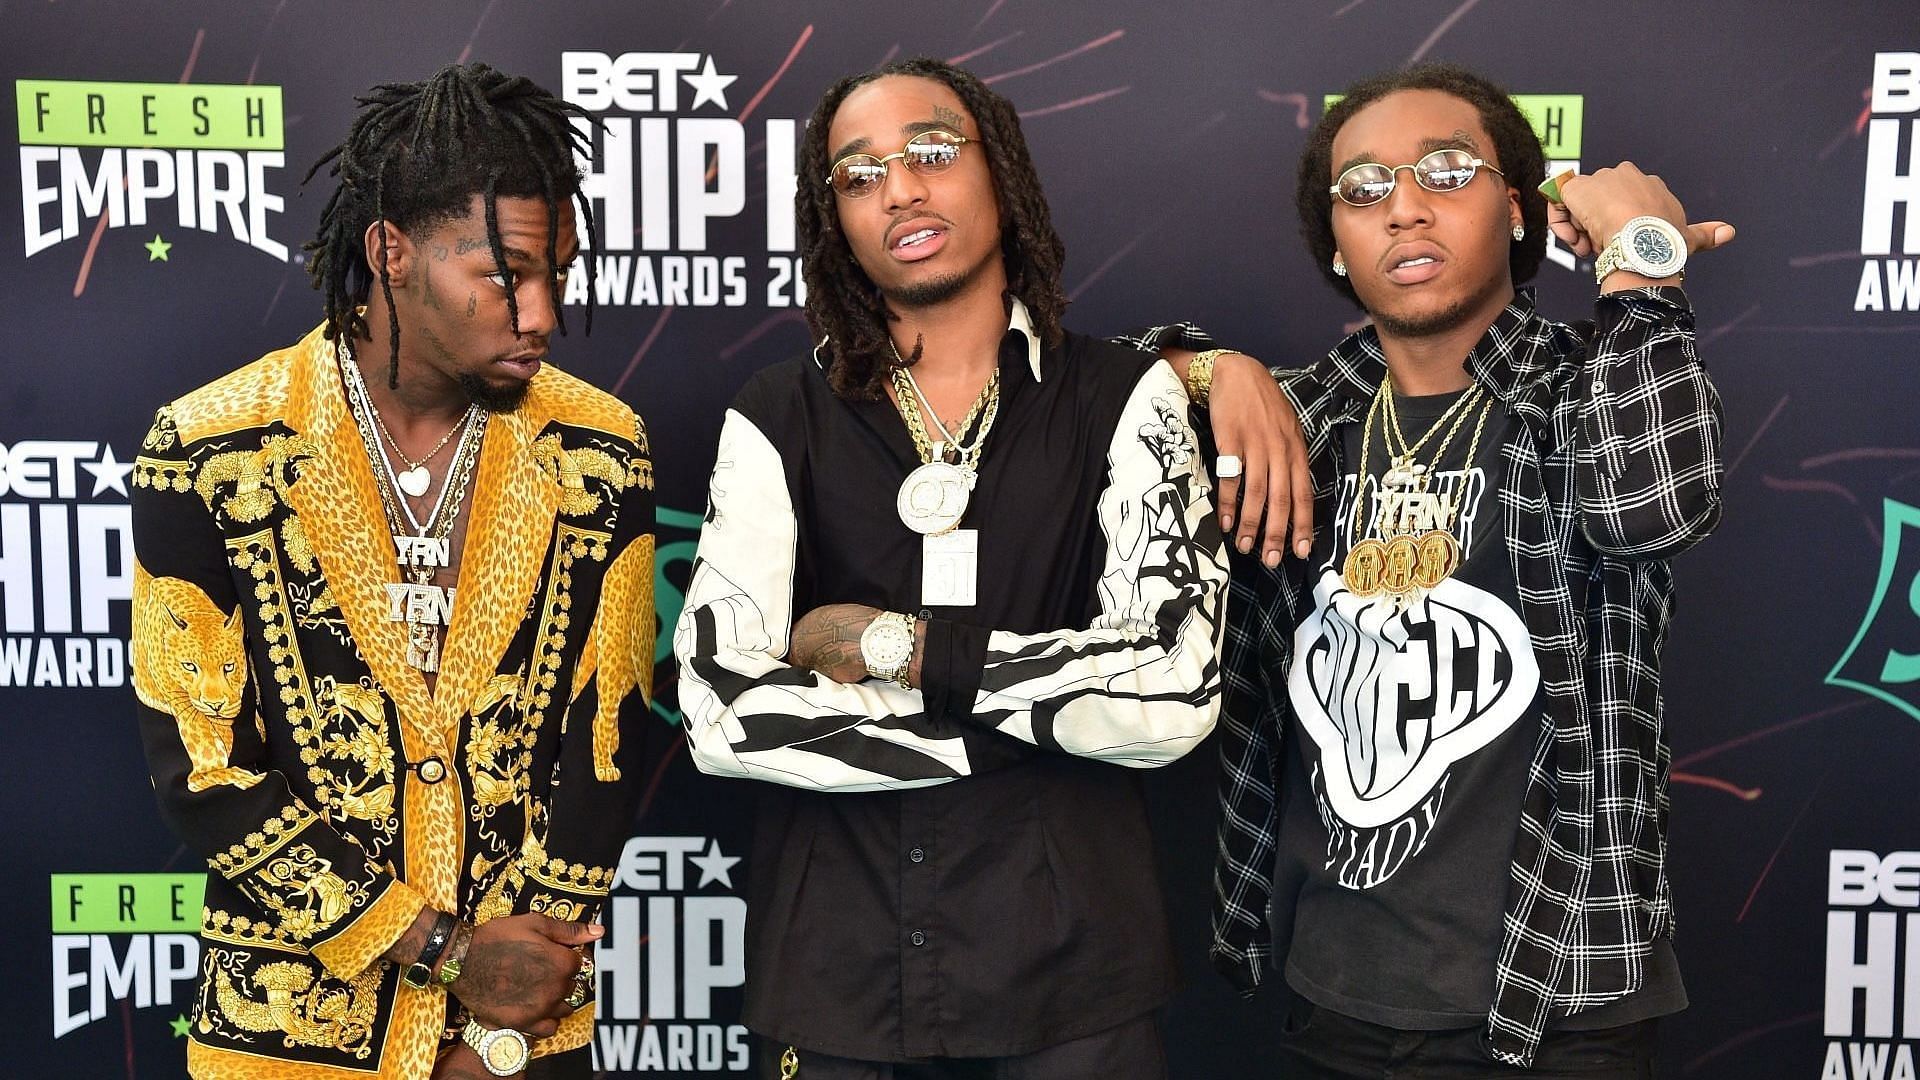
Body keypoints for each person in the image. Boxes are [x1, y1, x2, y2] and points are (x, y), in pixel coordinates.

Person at [673, 57, 1231, 1079]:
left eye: (932, 151)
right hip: (840, 970)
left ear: (1000, 172)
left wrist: (899, 649)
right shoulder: (775, 413)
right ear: (832, 213)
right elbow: (721, 708)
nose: (901, 187)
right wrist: (1024, 730)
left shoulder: (1125, 399)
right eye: (859, 172)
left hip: (1073, 979)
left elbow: (1170, 688)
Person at [131, 62, 655, 1080]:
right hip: (287, 1036)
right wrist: (443, 955)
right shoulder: (210, 446)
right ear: (391, 252)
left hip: (522, 1039)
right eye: (506, 275)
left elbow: (609, 737)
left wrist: (501, 1021)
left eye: (559, 273)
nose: (541, 314)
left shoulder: (601, 447)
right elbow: (203, 766)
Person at [1207, 62, 1732, 1074]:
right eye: (1363, 189)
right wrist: (1207, 367)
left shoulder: (1592, 388)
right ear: (1335, 243)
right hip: (1337, 992)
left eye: (1446, 172)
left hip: (1559, 997)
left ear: (1519, 210)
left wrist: (1640, 266)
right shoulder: (1298, 416)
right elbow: (1080, 407)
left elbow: (1657, 506)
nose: (1404, 209)